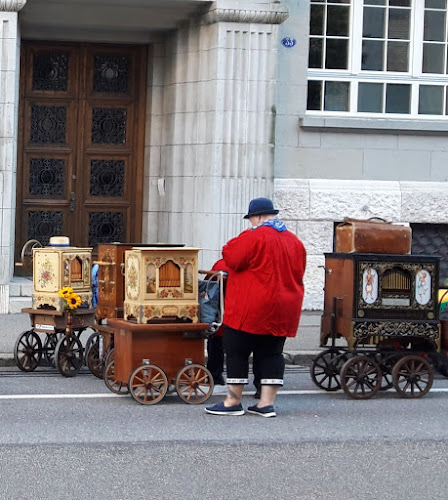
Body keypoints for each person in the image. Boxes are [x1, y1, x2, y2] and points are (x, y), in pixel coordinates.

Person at [205, 197, 306, 418]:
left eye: (251, 219)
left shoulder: (254, 236)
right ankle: (265, 404)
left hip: (252, 306)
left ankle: (232, 401)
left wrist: (245, 236)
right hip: (284, 307)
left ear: (257, 217)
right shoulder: (294, 241)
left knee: (236, 351)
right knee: (272, 353)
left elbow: (232, 256)